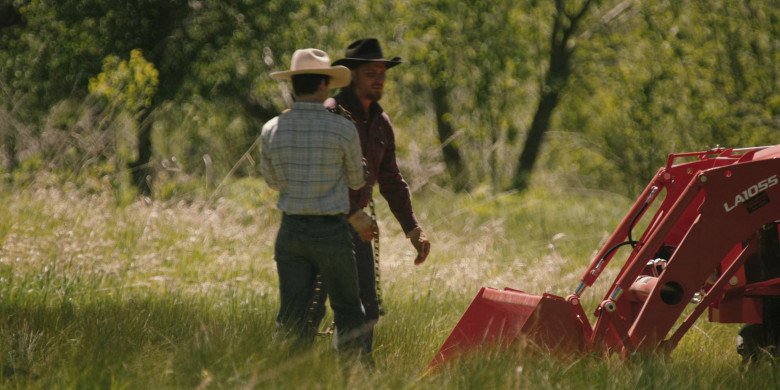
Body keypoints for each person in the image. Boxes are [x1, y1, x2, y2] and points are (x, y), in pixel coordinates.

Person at [319, 38, 431, 353]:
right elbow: (323, 177)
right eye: (371, 72)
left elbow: (392, 181)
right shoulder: (331, 115)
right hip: (322, 224)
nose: (379, 78)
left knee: (366, 309)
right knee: (309, 309)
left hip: (359, 229)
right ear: (352, 75)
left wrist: (413, 229)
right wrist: (352, 214)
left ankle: (358, 376)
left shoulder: (381, 122)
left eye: (382, 72)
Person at [261, 48, 369, 355]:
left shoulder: (270, 130)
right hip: (331, 231)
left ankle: (288, 377)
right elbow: (356, 181)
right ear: (323, 85)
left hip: (291, 230)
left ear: (295, 85)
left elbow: (272, 182)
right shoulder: (343, 128)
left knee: (291, 314)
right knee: (348, 309)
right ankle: (351, 378)